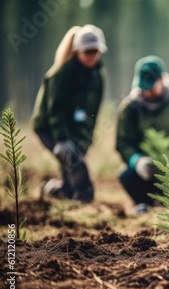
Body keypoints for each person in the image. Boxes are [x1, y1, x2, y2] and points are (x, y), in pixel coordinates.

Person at [32, 24, 107, 202]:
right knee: (77, 169)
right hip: (49, 128)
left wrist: (86, 138)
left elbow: (92, 111)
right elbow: (55, 111)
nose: (92, 56)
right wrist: (62, 140)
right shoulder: (61, 74)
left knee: (69, 184)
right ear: (77, 51)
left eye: (96, 51)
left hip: (75, 129)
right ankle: (82, 201)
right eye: (87, 51)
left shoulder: (97, 76)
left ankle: (51, 191)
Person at [116, 55, 169, 213]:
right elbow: (123, 141)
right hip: (145, 173)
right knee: (126, 176)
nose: (147, 91)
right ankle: (145, 205)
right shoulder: (129, 108)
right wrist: (137, 160)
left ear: (163, 79)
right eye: (143, 87)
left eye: (151, 86)